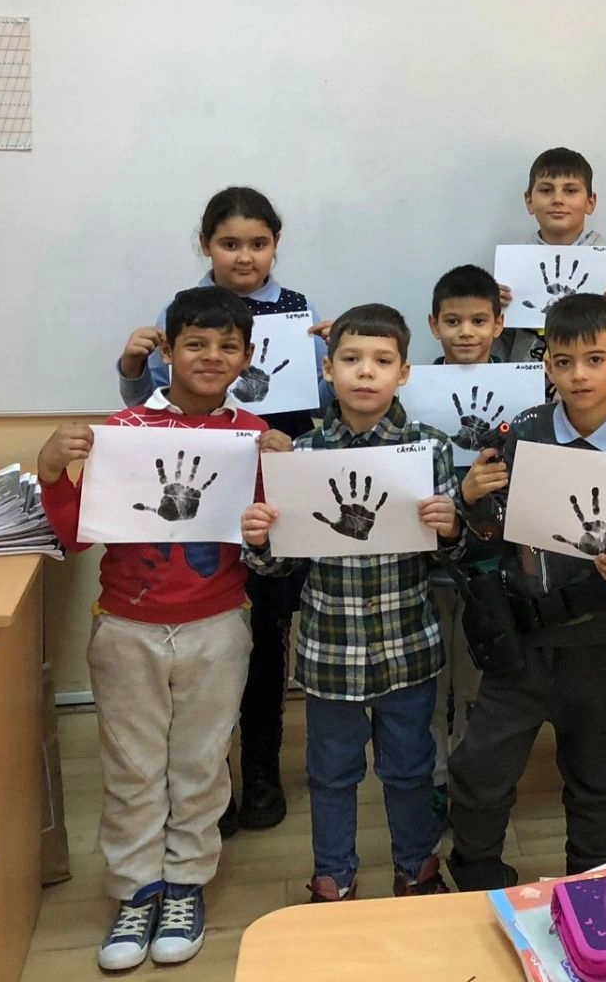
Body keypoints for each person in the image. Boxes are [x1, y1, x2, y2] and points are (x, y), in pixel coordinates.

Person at [40, 286, 288, 971]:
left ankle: (185, 885)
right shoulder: (124, 431)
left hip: (218, 625)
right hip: (128, 626)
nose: (211, 356)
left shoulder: (254, 437)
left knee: (201, 764)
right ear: (167, 352)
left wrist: (284, 479)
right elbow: (74, 537)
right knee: (133, 766)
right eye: (195, 344)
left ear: (247, 357)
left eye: (228, 346)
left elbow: (272, 547)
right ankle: (136, 889)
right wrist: (52, 471)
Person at [447, 293, 606, 890]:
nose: (579, 375)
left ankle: (589, 883)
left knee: (598, 777)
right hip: (521, 638)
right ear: (547, 364)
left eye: (595, 360)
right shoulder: (521, 432)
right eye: (564, 361)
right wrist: (471, 499)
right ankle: (476, 875)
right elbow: (487, 533)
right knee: (480, 768)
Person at [114, 185, 323, 834]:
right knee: (208, 645)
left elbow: (322, 400)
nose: (244, 256)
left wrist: (336, 353)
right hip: (200, 498)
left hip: (271, 492)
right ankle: (211, 780)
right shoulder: (184, 311)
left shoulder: (297, 310)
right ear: (206, 245)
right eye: (230, 243)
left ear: (276, 245)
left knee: (265, 639)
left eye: (258, 243)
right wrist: (132, 366)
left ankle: (260, 770)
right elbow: (153, 409)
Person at [239, 303, 461, 901]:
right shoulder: (302, 455)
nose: (366, 372)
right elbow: (280, 565)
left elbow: (450, 557)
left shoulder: (430, 448)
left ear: (403, 373)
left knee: (410, 767)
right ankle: (333, 876)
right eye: (351, 359)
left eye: (382, 361)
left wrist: (450, 528)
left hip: (407, 645)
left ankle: (416, 868)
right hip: (329, 650)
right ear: (328, 370)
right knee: (330, 772)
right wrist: (259, 541)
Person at [423, 264, 511, 812]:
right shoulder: (412, 389)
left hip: (493, 564)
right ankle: (435, 778)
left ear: (499, 324)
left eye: (479, 321)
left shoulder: (524, 392)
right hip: (430, 566)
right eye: (452, 321)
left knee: (481, 680)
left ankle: (473, 775)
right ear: (433, 325)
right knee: (434, 681)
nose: (465, 332)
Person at [498, 147, 606, 363]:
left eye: (570, 190)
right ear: (529, 200)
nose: (558, 199)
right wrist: (490, 311)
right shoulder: (511, 264)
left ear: (590, 202)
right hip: (526, 370)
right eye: (546, 190)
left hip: (591, 372)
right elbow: (499, 338)